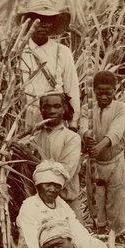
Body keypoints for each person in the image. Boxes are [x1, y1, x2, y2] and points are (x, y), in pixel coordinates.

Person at [79, 71, 125, 237]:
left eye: (108, 92)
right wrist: (87, 136)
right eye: (99, 92)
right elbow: (84, 127)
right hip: (95, 163)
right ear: (94, 90)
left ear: (115, 91)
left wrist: (99, 146)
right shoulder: (87, 108)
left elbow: (116, 131)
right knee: (96, 195)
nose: (104, 96)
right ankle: (99, 230)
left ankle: (117, 233)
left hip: (114, 161)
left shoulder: (121, 108)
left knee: (116, 197)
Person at [18, 5, 81, 131]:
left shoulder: (62, 52)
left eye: (48, 20)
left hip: (55, 115)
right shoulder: (18, 51)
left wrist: (73, 123)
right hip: (25, 115)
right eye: (39, 20)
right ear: (29, 22)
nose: (44, 25)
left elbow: (72, 88)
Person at [33, 94, 84, 222]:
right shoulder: (34, 137)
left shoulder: (72, 138)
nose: (52, 111)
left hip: (67, 203)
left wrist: (30, 158)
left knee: (76, 240)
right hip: (40, 205)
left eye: (57, 106)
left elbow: (64, 172)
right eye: (47, 107)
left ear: (64, 109)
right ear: (40, 110)